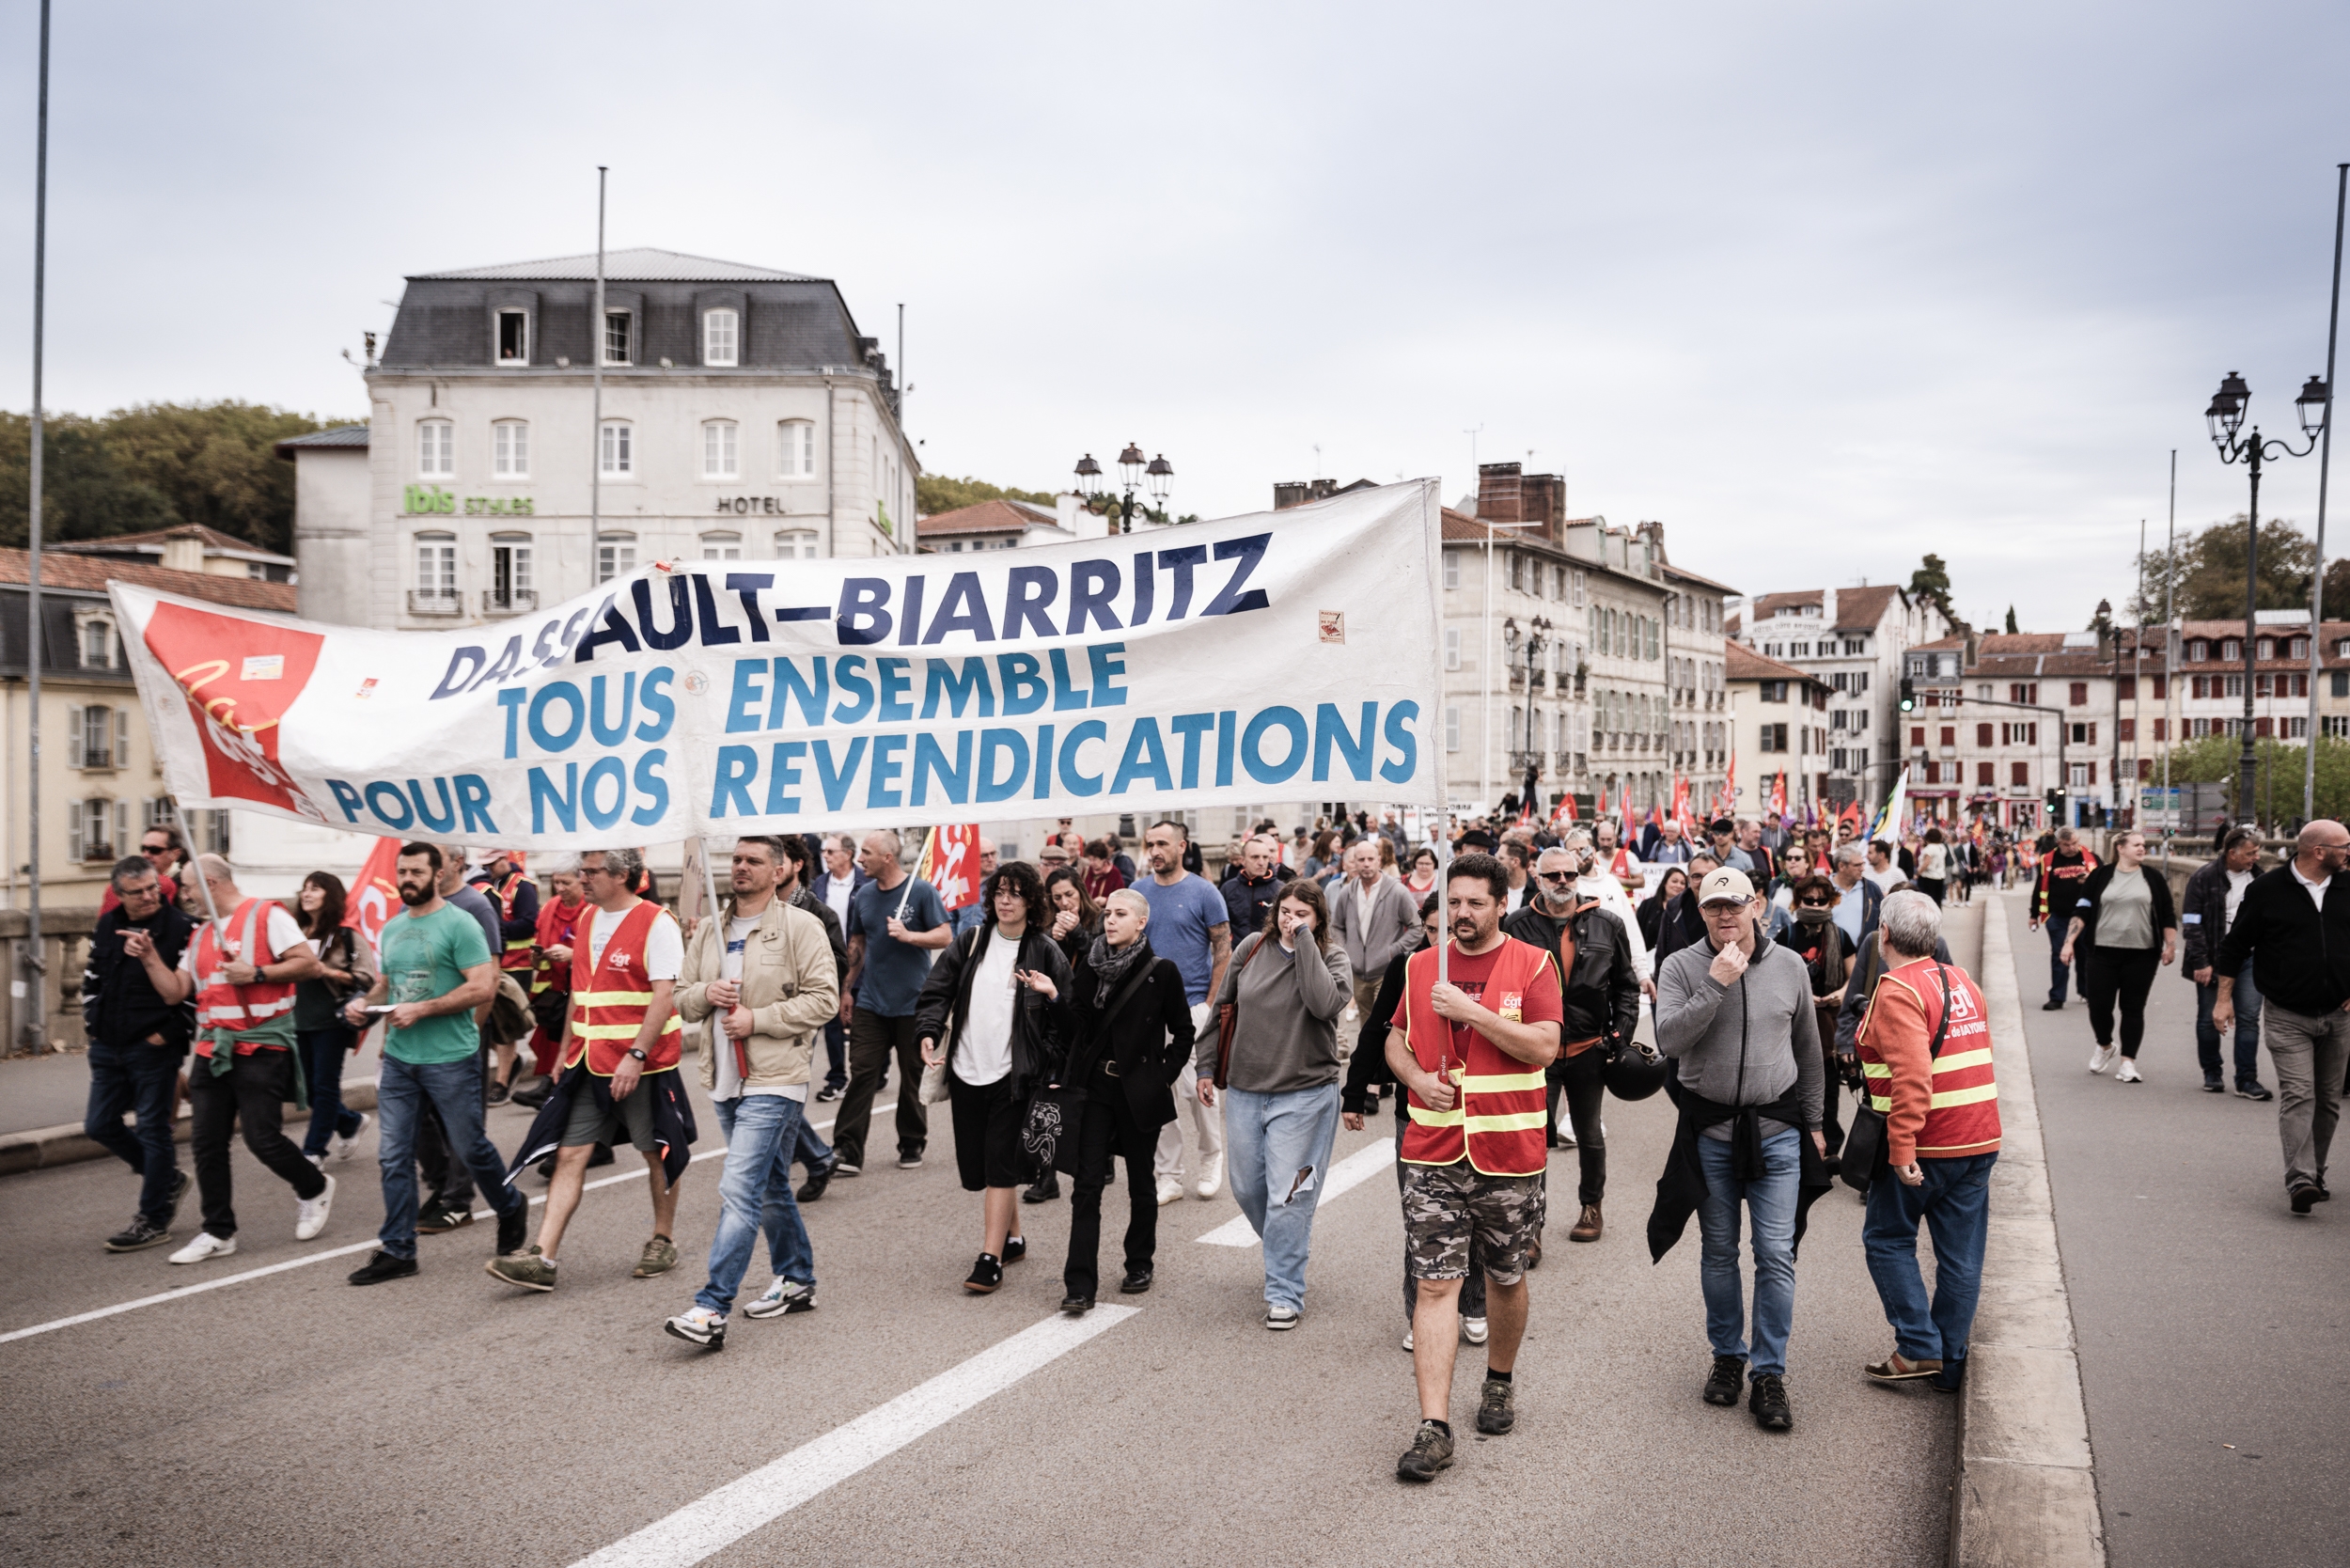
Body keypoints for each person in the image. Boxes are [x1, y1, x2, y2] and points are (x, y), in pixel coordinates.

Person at [1386, 852, 1562, 1482]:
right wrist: (1412, 1076)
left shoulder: (1533, 963)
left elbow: (1544, 1045)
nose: (1460, 913)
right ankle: (1433, 1428)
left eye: (1474, 903)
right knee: (1435, 1284)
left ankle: (1499, 1380)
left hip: (1508, 1154)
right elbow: (1395, 1038)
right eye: (1452, 902)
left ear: (1500, 905)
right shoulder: (1419, 967)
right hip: (1432, 1151)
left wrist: (1475, 1015)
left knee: (1506, 1276)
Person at [1651, 867, 1830, 1434]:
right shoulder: (1682, 966)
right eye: (1713, 908)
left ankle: (1769, 1371)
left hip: (1776, 1132)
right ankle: (1728, 1356)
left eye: (1735, 905)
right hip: (1711, 1133)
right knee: (1719, 1251)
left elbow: (1809, 1047)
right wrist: (1716, 984)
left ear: (1757, 905)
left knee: (1776, 1253)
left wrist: (1817, 1123)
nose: (1725, 916)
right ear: (1699, 913)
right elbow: (1671, 1041)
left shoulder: (1789, 966)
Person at [661, 836, 838, 1348]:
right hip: (725, 1079)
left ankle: (711, 1308)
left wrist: (756, 1018)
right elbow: (680, 997)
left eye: (753, 861)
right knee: (771, 1185)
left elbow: (824, 999)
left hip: (776, 1078)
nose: (740, 867)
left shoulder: (800, 927)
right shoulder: (711, 929)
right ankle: (797, 1277)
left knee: (739, 1188)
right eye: (736, 859)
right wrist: (706, 994)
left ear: (779, 870)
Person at [490, 847, 695, 1290]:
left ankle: (663, 1238)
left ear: (621, 876)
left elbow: (664, 997)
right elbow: (580, 995)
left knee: (655, 1151)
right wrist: (565, 1053)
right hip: (588, 1060)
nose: (582, 879)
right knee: (569, 1153)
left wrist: (636, 1056)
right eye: (582, 871)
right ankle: (542, 1257)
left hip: (640, 1063)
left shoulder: (657, 922)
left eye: (591, 872)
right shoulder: (585, 920)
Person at [340, 843, 530, 1286]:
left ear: (438, 873)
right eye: (401, 871)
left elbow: (483, 987)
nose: (407, 878)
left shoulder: (462, 922)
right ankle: (398, 1250)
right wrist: (362, 1004)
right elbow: (389, 985)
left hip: (451, 1057)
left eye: (416, 871)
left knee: (470, 1148)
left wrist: (423, 1009)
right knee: (393, 1155)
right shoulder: (393, 928)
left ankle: (509, 1205)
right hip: (403, 1060)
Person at [131, 854, 331, 1264]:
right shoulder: (201, 934)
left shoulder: (266, 915)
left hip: (261, 1044)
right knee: (206, 1143)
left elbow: (309, 966)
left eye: (186, 887)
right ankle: (218, 1231)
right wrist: (149, 958)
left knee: (262, 1138)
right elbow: (175, 991)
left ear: (209, 883)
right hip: (213, 1048)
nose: (182, 895)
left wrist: (256, 973)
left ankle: (314, 1187)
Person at [1856, 890, 1999, 1392]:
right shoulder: (1962, 980)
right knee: (1961, 1258)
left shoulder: (1897, 989)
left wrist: (1901, 1149)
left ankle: (1918, 1348)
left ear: (1885, 935)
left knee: (1887, 1239)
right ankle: (1950, 1362)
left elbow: (1912, 1078)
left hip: (1931, 1142)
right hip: (1979, 1136)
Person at [1198, 877, 1351, 1329]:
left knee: (1288, 1195)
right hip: (1246, 1089)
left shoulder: (1331, 957)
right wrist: (1205, 1066)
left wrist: (1303, 942)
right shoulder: (1250, 948)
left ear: (1318, 918)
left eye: (1302, 914)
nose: (1290, 920)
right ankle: (1285, 1249)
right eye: (1285, 912)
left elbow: (1324, 1004)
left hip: (1305, 1093)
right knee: (1247, 1187)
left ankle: (1284, 1290)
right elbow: (1222, 1009)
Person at [916, 861, 1073, 1293]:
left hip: (1015, 1074)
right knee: (984, 1166)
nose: (1005, 900)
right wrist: (928, 1031)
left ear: (1031, 901)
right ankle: (1014, 1238)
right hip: (966, 1069)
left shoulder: (1043, 950)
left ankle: (991, 1258)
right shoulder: (972, 941)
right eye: (999, 892)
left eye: (1016, 893)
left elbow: (1070, 1012)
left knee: (1001, 1166)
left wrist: (1051, 1062)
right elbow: (937, 990)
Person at [1037, 888, 1196, 1311]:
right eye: (1107, 913)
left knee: (1142, 1184)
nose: (1109, 920)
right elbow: (1077, 1031)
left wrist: (1160, 1077)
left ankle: (1139, 1261)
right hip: (1094, 1091)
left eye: (1120, 914)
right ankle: (1079, 1285)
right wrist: (1054, 996)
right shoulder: (1091, 966)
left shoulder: (1162, 972)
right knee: (1086, 1185)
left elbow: (1183, 1032)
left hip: (1138, 1092)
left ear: (1141, 922)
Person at [1346, 892, 1489, 1347]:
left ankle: (1475, 1305)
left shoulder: (1491, 965)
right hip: (1418, 1117)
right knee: (1423, 1221)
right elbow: (1380, 1031)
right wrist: (1354, 1092)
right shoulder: (1408, 967)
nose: (1441, 939)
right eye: (1431, 930)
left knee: (1477, 1219)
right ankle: (1420, 1313)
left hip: (1480, 1117)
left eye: (1448, 930)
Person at [1503, 842, 1638, 1246]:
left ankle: (1591, 1206)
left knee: (1589, 1135)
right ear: (1537, 878)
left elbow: (1626, 987)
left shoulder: (1607, 924)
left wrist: (1620, 1035)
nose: (1562, 882)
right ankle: (1531, 1226)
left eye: (1569, 875)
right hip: (1534, 1050)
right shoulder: (1516, 925)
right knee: (1531, 1141)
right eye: (1553, 876)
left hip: (1588, 1048)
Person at [2213, 820, 2350, 1213]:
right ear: (2318, 851)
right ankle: (2300, 1178)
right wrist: (2224, 1000)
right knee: (2299, 1094)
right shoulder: (2267, 891)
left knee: (2327, 1101)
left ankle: (2316, 1171)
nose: (2349, 852)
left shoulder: (2347, 886)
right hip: (2287, 1014)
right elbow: (2234, 947)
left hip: (2338, 1015)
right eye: (2344, 846)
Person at [80, 854, 197, 1252]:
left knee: (152, 1129)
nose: (148, 897)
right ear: (119, 894)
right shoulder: (109, 924)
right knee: (99, 1125)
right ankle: (166, 1180)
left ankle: (153, 1219)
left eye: (153, 888)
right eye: (137, 892)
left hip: (154, 1048)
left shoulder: (183, 928)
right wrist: (92, 1026)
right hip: (107, 1045)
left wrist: (166, 1035)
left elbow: (194, 994)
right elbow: (92, 977)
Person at [833, 830, 951, 1176]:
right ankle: (847, 1149)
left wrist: (910, 935)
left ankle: (912, 1141)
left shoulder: (922, 891)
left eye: (866, 853)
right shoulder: (864, 895)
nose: (860, 859)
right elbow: (857, 942)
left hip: (914, 1003)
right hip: (871, 1001)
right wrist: (847, 990)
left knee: (912, 1076)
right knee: (862, 1072)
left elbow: (945, 934)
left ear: (887, 857)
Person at [411, 844, 511, 1233]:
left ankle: (457, 1200)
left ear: (455, 863)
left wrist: (470, 1031)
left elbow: (491, 975)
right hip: (417, 1036)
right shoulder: (414, 907)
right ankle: (440, 1183)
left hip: (460, 1033)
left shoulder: (476, 906)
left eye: (436, 858)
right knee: (418, 1119)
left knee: (461, 1122)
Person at [1137, 819, 1231, 1203]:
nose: (1155, 851)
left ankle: (1211, 1158)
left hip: (1191, 1007)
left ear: (1181, 846)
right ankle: (1169, 1174)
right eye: (1150, 844)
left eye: (1162, 843)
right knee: (1157, 1093)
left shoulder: (1204, 892)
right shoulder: (1137, 892)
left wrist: (1209, 1004)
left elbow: (1222, 949)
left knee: (1197, 1090)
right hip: (1146, 1011)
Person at [771, 835, 853, 1201]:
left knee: (782, 1093)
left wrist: (792, 971)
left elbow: (837, 965)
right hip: (761, 1012)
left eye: (778, 858)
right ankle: (818, 1157)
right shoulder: (758, 906)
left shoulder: (820, 913)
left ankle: (786, 1168)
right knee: (769, 1094)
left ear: (797, 865)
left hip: (799, 1014)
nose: (770, 866)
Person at [2060, 830, 2177, 1082]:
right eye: (2136, 844)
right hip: (2102, 951)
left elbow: (2167, 913)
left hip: (2142, 954)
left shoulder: (2153, 878)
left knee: (2133, 1008)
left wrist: (2170, 945)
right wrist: (2069, 942)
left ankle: (2128, 1063)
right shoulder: (2101, 876)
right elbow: (2082, 910)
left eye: (2143, 845)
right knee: (2099, 1007)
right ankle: (2105, 1045)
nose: (2142, 849)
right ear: (2120, 848)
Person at [2183, 827, 2270, 1099]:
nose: (2256, 857)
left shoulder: (2260, 879)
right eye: (2250, 853)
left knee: (2248, 1018)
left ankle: (2246, 1079)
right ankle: (2212, 1071)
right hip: (2212, 957)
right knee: (2209, 1018)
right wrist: (2200, 961)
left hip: (2249, 958)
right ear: (2232, 853)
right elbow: (2191, 922)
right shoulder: (2204, 877)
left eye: (2257, 852)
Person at [293, 870, 373, 1165]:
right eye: (305, 887)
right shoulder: (294, 933)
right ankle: (350, 1122)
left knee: (325, 1087)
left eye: (315, 888)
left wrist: (326, 971)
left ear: (331, 896)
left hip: (331, 1021)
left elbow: (367, 978)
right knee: (309, 1091)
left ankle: (313, 1151)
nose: (307, 893)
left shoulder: (346, 936)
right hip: (297, 1020)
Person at [1778, 874, 1856, 1163]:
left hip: (1829, 1024)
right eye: (1808, 900)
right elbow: (1774, 976)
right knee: (1794, 1086)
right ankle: (1799, 1146)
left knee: (1828, 1089)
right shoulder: (1786, 935)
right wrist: (1800, 996)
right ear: (1799, 901)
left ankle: (1829, 1149)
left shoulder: (1841, 935)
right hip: (1795, 1020)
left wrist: (1840, 993)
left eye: (1821, 900)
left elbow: (1855, 978)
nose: (1814, 904)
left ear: (1831, 901)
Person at [1330, 839, 1419, 1058]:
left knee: (1386, 1024)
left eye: (1371, 859)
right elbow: (1336, 926)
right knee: (1367, 1025)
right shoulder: (1347, 892)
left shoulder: (1397, 891)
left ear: (1379, 860)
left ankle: (1380, 1080)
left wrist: (1393, 951)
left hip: (1385, 971)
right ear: (1354, 863)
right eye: (1361, 859)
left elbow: (1418, 926)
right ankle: (1374, 1074)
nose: (1366, 864)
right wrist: (1346, 951)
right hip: (1358, 973)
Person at [513, 864, 588, 1105]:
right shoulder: (550, 908)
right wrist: (539, 956)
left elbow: (598, 953)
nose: (560, 888)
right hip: (555, 986)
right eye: (556, 882)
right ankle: (549, 1085)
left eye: (566, 883)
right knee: (550, 1038)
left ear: (582, 881)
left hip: (583, 987)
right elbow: (539, 945)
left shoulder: (592, 910)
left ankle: (555, 1090)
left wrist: (571, 955)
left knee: (573, 1039)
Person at [2029, 825, 2099, 1010]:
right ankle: (2057, 997)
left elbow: (2105, 881)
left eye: (2075, 843)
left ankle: (2086, 992)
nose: (2072, 847)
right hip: (2057, 917)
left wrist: (2091, 880)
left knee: (2085, 956)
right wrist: (2033, 914)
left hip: (2085, 917)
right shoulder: (2048, 860)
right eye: (2067, 844)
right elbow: (2040, 887)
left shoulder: (2091, 858)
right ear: (2059, 843)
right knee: (2060, 956)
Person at [101, 823, 184, 917]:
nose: (146, 855)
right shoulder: (166, 883)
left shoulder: (187, 882)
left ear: (175, 854)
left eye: (154, 850)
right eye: (143, 849)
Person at [1221, 835, 1287, 937]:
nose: (1261, 862)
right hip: (1238, 950)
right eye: (1255, 857)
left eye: (1265, 857)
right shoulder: (1228, 888)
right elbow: (1219, 926)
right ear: (1243, 860)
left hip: (1269, 950)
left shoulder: (1281, 889)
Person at [1044, 865, 1105, 967]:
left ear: (1080, 891)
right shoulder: (1046, 918)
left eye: (1069, 894)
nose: (1064, 902)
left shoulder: (1101, 917)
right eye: (1057, 897)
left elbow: (1102, 957)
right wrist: (1050, 936)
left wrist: (1077, 931)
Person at [1827, 843, 1882, 950]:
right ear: (1841, 866)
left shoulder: (1871, 889)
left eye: (1863, 864)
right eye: (1857, 865)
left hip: (1862, 957)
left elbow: (1882, 920)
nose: (1862, 869)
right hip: (1829, 954)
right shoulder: (1823, 888)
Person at [948, 837, 1001, 941]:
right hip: (964, 945)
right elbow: (951, 916)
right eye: (984, 856)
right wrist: (954, 943)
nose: (990, 859)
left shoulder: (1004, 879)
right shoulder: (960, 879)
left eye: (993, 854)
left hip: (993, 943)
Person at [1637, 865, 1688, 951]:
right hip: (1647, 957)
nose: (1678, 885)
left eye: (1682, 883)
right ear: (1665, 883)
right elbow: (1636, 933)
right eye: (1674, 881)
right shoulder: (1647, 905)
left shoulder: (1687, 909)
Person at [1081, 838, 1126, 902]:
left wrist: (1106, 900)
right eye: (1090, 859)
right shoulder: (1086, 871)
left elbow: (1120, 894)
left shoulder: (1114, 872)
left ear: (1103, 859)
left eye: (1095, 859)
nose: (1092, 863)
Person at [1915, 827, 1949, 906]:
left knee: (1927, 901)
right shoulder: (1942, 847)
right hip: (1940, 876)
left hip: (1928, 877)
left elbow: (1926, 862)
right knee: (1937, 900)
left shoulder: (1929, 848)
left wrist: (1918, 873)